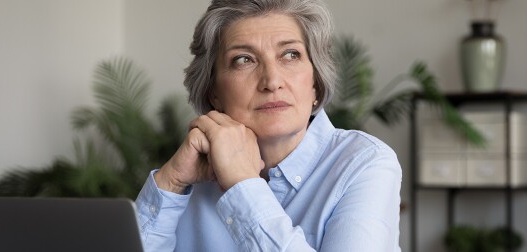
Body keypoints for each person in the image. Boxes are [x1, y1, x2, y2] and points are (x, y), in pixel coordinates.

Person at [134, 0, 402, 251]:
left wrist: (241, 184)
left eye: (290, 55)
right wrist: (171, 182)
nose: (272, 81)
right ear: (213, 92)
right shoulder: (193, 175)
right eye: (244, 60)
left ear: (315, 84)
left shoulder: (364, 163)